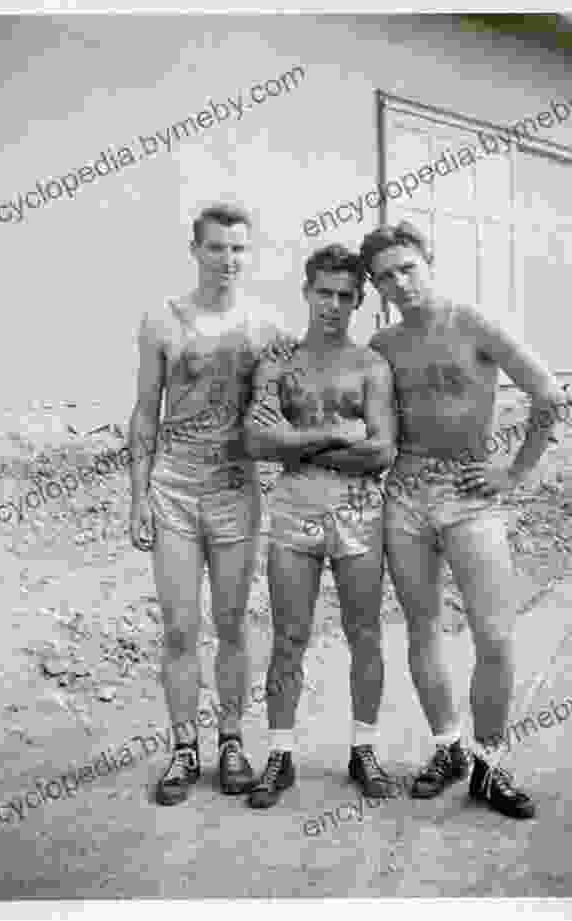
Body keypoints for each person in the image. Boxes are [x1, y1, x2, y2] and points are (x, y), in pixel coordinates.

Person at [361, 220, 565, 819]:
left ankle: (490, 764)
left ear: (429, 261)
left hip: (472, 492)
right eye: (386, 276)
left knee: (495, 637)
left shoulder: (473, 323)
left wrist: (514, 471)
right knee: (422, 631)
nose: (400, 283)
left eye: (408, 268)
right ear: (376, 286)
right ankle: (448, 748)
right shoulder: (384, 347)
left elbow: (548, 393)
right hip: (407, 497)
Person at [128, 203, 294, 805]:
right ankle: (182, 747)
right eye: (217, 247)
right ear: (195, 250)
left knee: (230, 625)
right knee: (178, 627)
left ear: (249, 255)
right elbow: (146, 411)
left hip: (233, 491)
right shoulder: (162, 322)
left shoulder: (266, 328)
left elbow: (281, 410)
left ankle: (230, 739)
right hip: (172, 487)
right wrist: (137, 495)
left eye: (238, 249)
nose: (228, 259)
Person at [243, 244, 396, 808]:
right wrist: (336, 436)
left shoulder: (370, 365)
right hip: (293, 514)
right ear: (306, 292)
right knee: (289, 637)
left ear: (358, 301)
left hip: (358, 512)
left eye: (345, 296)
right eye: (323, 293)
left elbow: (381, 451)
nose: (333, 305)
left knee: (365, 635)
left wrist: (297, 445)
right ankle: (279, 754)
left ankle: (364, 749)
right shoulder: (279, 361)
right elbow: (256, 441)